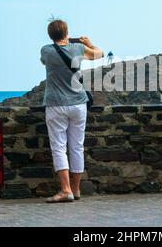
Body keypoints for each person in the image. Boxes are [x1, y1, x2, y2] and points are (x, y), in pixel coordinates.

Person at [41, 19, 103, 203]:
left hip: (56, 104)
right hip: (78, 104)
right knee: (77, 147)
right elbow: (99, 54)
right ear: (67, 33)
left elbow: (43, 61)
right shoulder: (78, 49)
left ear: (50, 35)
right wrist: (88, 44)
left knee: (59, 147)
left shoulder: (46, 50)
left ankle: (65, 189)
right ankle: (75, 190)